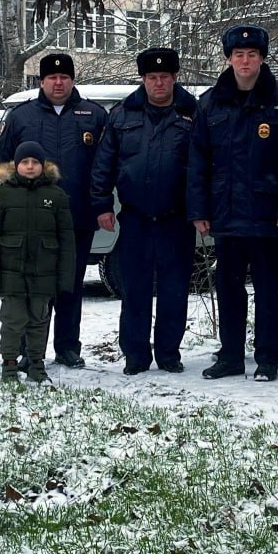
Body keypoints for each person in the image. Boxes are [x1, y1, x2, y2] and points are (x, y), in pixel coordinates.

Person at [187, 24, 278, 382]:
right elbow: (197, 160)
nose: (245, 61)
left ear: (262, 58)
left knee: (268, 291)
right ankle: (231, 356)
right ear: (229, 59)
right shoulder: (210, 102)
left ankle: (267, 358)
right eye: (239, 55)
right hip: (225, 212)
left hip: (267, 214)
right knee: (229, 288)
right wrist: (199, 209)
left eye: (252, 55)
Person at [0, 53, 108, 368]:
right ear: (41, 81)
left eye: (64, 78)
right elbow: (5, 166)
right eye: (51, 78)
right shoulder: (21, 117)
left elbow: (104, 165)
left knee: (70, 285)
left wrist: (100, 205)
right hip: (32, 219)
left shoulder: (94, 115)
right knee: (31, 284)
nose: (58, 83)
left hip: (77, 216)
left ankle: (68, 347)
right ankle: (24, 347)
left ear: (72, 80)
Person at [92, 47, 198, 375]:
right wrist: (101, 205)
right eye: (152, 78)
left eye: (165, 77)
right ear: (143, 79)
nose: (159, 83)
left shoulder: (192, 113)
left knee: (174, 290)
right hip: (135, 217)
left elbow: (204, 166)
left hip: (176, 218)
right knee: (135, 290)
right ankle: (135, 355)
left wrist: (202, 210)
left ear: (174, 78)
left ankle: (168, 353)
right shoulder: (123, 115)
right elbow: (104, 164)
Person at [0, 142, 76, 384]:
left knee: (39, 321)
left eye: (35, 162)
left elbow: (66, 240)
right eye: (25, 162)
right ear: (16, 165)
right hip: (11, 273)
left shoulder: (56, 196)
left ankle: (37, 364)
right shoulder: (2, 194)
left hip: (43, 274)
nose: (30, 166)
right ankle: (10, 365)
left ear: (43, 166)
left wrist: (64, 278)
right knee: (12, 321)